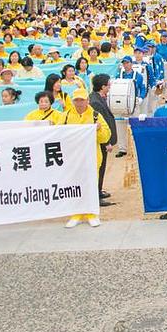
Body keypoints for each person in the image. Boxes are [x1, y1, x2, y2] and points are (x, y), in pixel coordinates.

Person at [61, 88, 111, 228]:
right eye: (76, 100)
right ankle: (75, 214)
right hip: (72, 158)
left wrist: (99, 129)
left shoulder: (96, 115)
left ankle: (92, 214)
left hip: (92, 157)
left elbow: (105, 137)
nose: (79, 103)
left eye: (82, 100)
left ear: (87, 101)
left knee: (90, 186)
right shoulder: (65, 117)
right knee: (74, 186)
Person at [88, 74, 119, 202]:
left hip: (103, 139)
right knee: (99, 166)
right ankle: (96, 194)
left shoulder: (99, 98)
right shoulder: (95, 102)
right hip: (101, 141)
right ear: (102, 86)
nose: (110, 86)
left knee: (102, 166)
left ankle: (99, 190)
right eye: (108, 84)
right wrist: (107, 142)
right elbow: (100, 123)